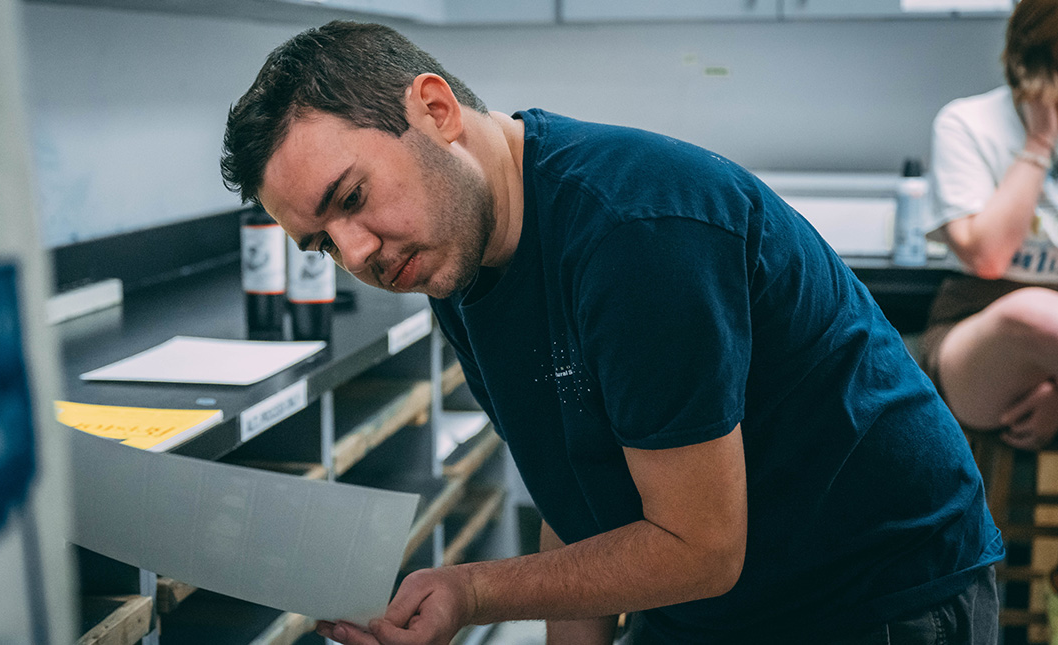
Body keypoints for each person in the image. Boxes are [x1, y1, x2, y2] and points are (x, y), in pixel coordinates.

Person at [221, 21, 1003, 644]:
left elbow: (698, 546)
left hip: (873, 593)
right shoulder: (452, 254)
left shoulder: (634, 230)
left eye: (351, 196)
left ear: (435, 110)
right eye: (321, 243)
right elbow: (585, 490)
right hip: (715, 594)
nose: (355, 252)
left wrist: (469, 590)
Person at [922, 0, 1058, 454]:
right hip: (978, 331)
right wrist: (1039, 142)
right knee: (1032, 312)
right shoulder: (968, 123)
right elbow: (987, 258)